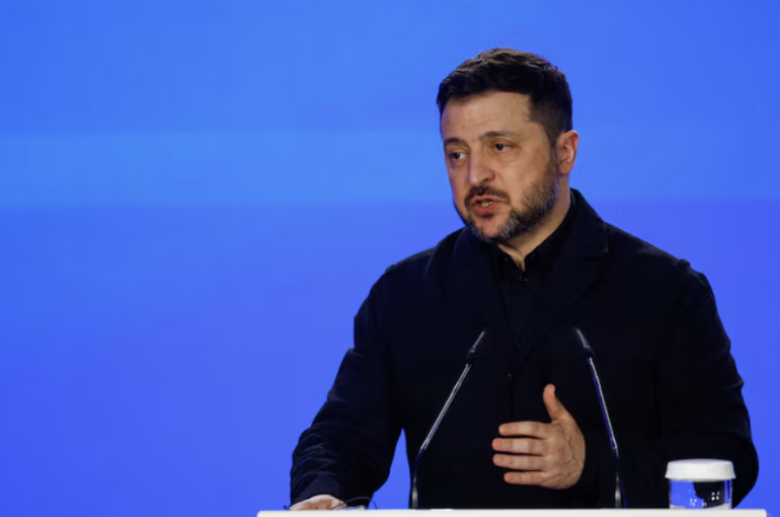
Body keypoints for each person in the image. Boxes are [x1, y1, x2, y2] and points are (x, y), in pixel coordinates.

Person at [288, 48, 758, 510]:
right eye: (456, 154)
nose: (475, 175)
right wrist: (323, 492)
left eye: (500, 147)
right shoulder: (405, 294)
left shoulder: (664, 290)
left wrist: (593, 465)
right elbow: (341, 438)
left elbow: (726, 458)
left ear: (565, 152)